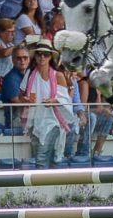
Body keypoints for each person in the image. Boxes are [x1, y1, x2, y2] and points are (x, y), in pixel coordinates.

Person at [20, 39, 75, 169]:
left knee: (41, 156)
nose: (42, 57)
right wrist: (25, 99)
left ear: (51, 57)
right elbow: (20, 95)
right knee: (46, 156)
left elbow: (66, 100)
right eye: (39, 54)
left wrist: (54, 101)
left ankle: (41, 185)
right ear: (36, 56)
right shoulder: (30, 74)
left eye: (46, 54)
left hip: (53, 120)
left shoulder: (58, 76)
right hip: (34, 121)